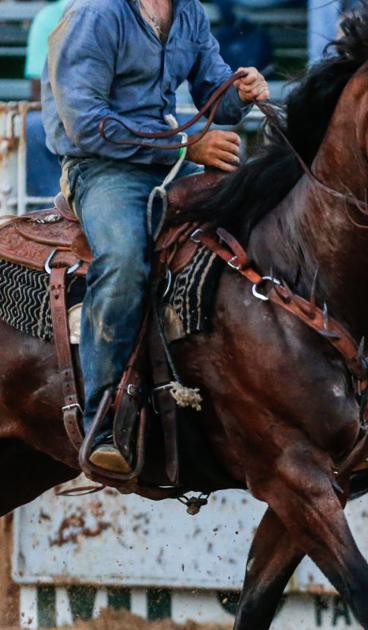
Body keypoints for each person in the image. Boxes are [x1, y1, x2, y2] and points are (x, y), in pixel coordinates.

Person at [44, 0, 269, 473]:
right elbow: (85, 124)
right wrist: (185, 145)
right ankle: (102, 419)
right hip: (101, 168)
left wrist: (241, 90)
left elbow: (215, 95)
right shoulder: (96, 14)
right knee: (124, 258)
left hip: (164, 160)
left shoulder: (189, 12)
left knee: (255, 223)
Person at [24, 0, 70, 200]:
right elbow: (39, 90)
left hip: (113, 112)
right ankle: (48, 206)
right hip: (66, 110)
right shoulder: (49, 17)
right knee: (33, 126)